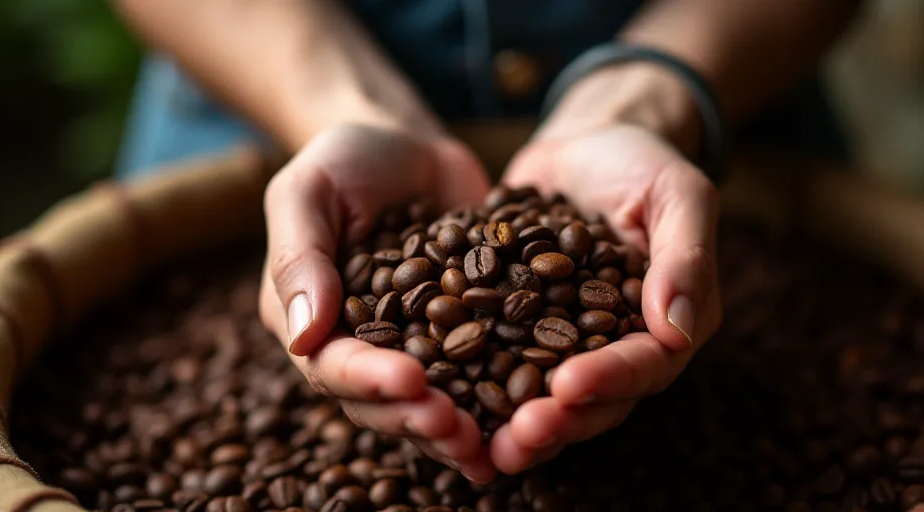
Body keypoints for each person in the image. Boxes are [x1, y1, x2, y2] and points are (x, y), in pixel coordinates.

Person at [112, 0, 864, 482]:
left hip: (731, 83)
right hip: (258, 84)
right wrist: (337, 107)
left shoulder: (548, 272)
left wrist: (650, 101)